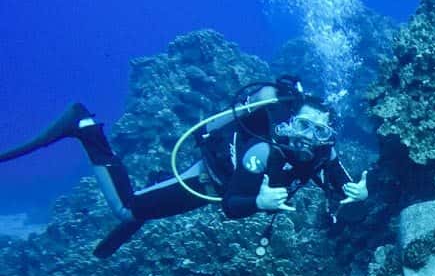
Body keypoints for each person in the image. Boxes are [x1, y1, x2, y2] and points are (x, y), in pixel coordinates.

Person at [0, 77, 369, 257]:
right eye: (302, 125)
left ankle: (143, 209)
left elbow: (342, 184)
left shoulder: (324, 153)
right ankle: (85, 129)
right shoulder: (262, 151)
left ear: (329, 136)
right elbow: (231, 205)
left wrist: (361, 190)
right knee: (126, 207)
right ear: (287, 125)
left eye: (319, 131)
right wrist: (259, 202)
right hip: (209, 181)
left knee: (146, 205)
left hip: (226, 186)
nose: (308, 137)